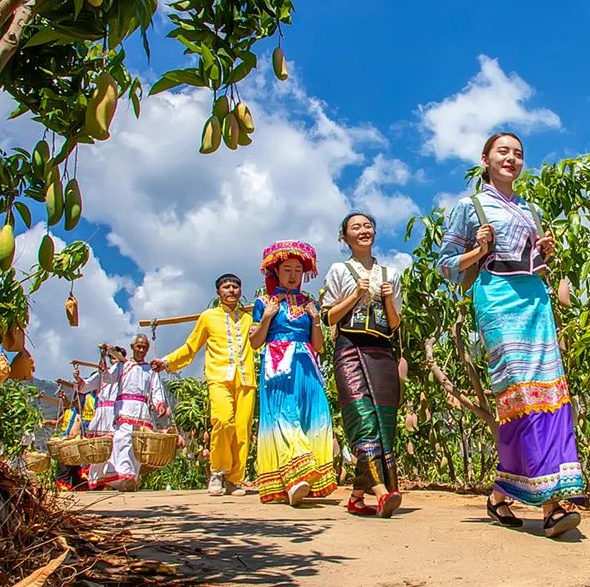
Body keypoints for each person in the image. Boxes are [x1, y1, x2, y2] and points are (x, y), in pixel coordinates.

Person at [437, 131, 584, 539]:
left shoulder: (530, 209)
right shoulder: (469, 207)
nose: (511, 158)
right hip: (497, 299)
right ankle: (553, 502)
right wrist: (477, 250)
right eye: (503, 151)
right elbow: (446, 266)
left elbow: (534, 265)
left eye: (518, 153)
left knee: (549, 391)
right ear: (485, 158)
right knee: (520, 392)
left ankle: (505, 493)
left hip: (535, 298)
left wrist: (545, 255)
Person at [320, 212, 403, 518]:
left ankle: (357, 497)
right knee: (362, 417)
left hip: (382, 351)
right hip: (349, 348)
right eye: (356, 227)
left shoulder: (390, 273)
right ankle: (382, 492)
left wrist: (388, 300)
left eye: (368, 226)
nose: (363, 230)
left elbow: (394, 324)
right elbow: (328, 317)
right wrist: (355, 295)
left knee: (383, 421)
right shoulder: (339, 271)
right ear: (344, 237)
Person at [152, 274, 256, 497]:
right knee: (222, 421)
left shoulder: (248, 319)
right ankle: (217, 472)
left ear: (240, 290)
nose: (231, 290)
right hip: (219, 377)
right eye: (226, 287)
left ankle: (235, 479)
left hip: (246, 379)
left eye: (235, 287)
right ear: (218, 292)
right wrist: (167, 361)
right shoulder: (208, 317)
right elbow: (191, 347)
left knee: (242, 429)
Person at [250, 240, 336, 505]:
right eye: (287, 269)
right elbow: (254, 342)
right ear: (276, 271)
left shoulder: (310, 303)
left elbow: (318, 345)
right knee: (283, 415)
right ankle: (295, 477)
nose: (293, 274)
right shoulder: (264, 301)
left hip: (307, 364)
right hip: (277, 363)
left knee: (315, 414)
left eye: (298, 269)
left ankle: (304, 479)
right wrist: (267, 317)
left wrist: (317, 319)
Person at [79, 336, 167, 491]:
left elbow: (156, 389)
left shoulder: (150, 370)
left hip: (142, 411)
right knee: (122, 439)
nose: (141, 350)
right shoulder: (122, 366)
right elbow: (108, 378)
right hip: (124, 409)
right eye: (138, 346)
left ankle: (130, 477)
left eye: (144, 347)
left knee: (137, 445)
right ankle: (123, 475)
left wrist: (159, 404)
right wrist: (104, 361)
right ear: (133, 347)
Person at [75, 344, 128, 489]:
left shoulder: (125, 372)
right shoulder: (101, 374)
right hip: (101, 411)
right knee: (99, 447)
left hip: (116, 410)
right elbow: (85, 387)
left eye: (116, 357)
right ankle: (97, 477)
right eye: (112, 358)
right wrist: (78, 378)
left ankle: (116, 475)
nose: (114, 361)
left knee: (116, 443)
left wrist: (110, 351)